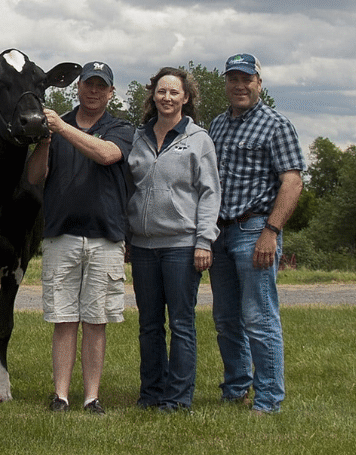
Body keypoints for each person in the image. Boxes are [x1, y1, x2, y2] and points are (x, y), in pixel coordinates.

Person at [25, 61, 133, 415]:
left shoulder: (120, 128)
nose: (94, 91)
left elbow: (107, 155)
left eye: (102, 86)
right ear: (79, 87)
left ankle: (91, 397)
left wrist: (61, 128)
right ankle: (60, 396)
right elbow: (35, 177)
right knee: (64, 318)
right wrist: (45, 140)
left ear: (111, 93)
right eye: (89, 84)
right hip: (61, 235)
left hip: (106, 237)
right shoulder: (55, 127)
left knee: (96, 319)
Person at [208, 53, 304, 414]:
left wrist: (272, 231)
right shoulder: (218, 125)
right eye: (233, 79)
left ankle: (268, 399)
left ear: (259, 83)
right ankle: (235, 388)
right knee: (226, 318)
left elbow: (292, 182)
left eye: (246, 79)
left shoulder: (276, 124)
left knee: (259, 317)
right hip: (221, 232)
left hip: (254, 229)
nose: (239, 85)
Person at [126, 67, 221, 412]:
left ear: (186, 98)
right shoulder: (137, 137)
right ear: (153, 95)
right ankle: (151, 394)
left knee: (181, 323)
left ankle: (178, 398)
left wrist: (204, 241)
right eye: (161, 91)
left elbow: (210, 193)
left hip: (182, 246)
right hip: (143, 246)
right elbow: (127, 188)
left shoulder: (199, 140)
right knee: (149, 325)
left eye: (174, 93)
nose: (167, 98)